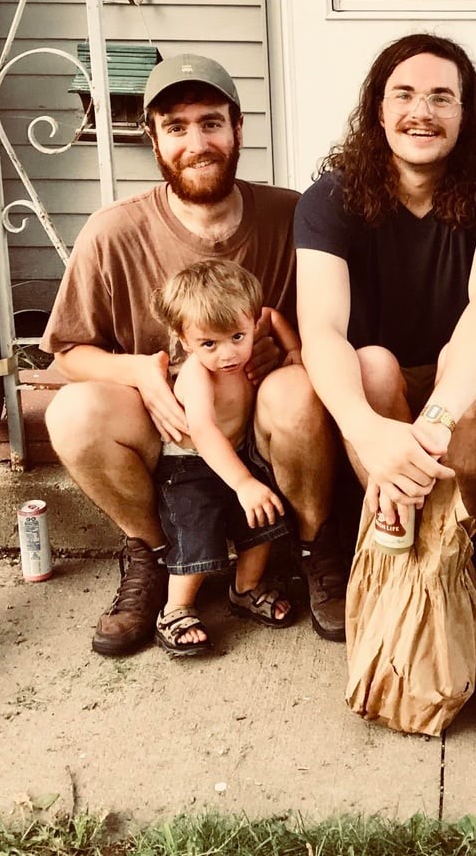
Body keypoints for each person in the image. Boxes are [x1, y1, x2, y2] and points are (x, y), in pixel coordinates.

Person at [42, 54, 346, 657]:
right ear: (153, 139)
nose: (196, 143)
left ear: (238, 129)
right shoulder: (113, 232)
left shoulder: (291, 215)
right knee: (72, 414)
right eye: (176, 127)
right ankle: (152, 555)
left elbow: (330, 322)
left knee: (299, 389)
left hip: (263, 420)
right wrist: (138, 370)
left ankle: (316, 549)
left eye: (211, 123)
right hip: (172, 429)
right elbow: (69, 353)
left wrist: (291, 354)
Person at [294, 33, 476, 658]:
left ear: (466, 112)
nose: (421, 112)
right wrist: (367, 431)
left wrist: (435, 420)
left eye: (441, 98)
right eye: (403, 95)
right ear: (378, 109)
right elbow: (321, 328)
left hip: (461, 383)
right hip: (378, 389)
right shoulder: (331, 198)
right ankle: (398, 544)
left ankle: (466, 553)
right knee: (371, 365)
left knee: (475, 369)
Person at [149, 258, 299, 656]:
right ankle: (176, 608)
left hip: (235, 456)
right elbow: (203, 431)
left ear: (249, 322)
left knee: (264, 519)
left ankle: (245, 588)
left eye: (237, 336)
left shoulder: (251, 329)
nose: (227, 354)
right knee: (196, 531)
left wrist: (294, 350)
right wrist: (243, 483)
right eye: (208, 344)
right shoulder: (199, 375)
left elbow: (272, 316)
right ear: (185, 341)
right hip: (190, 465)